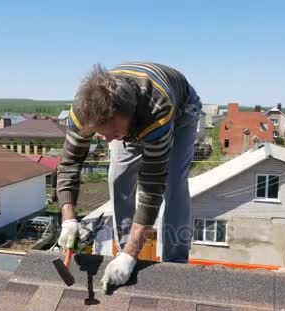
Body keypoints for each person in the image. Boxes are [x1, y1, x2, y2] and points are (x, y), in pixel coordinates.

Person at [56, 62, 202, 289]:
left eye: (112, 132)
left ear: (128, 116)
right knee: (118, 175)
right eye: (100, 133)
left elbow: (153, 186)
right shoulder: (83, 110)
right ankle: (124, 251)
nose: (107, 139)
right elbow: (69, 163)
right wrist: (69, 219)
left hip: (181, 111)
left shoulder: (157, 111)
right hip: (134, 116)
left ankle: (174, 260)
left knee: (173, 183)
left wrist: (132, 253)